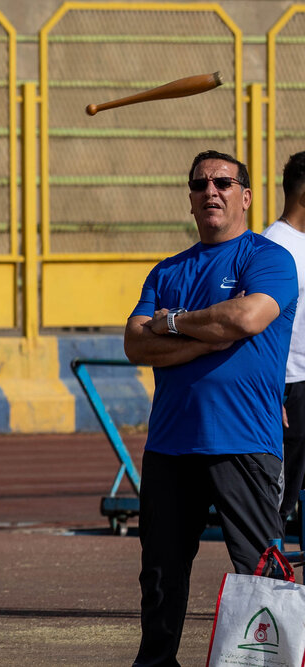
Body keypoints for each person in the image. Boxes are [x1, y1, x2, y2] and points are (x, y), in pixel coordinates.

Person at [124, 150, 297, 666]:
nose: (210, 191)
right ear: (191, 199)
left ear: (245, 195)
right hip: (171, 445)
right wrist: (203, 336)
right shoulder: (166, 270)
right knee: (160, 574)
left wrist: (171, 324)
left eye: (223, 182)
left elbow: (245, 319)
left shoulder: (267, 258)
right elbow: (137, 345)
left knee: (260, 572)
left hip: (243, 443)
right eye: (200, 185)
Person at [262, 150, 305, 529]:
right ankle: (268, 585)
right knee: (278, 508)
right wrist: (273, 393)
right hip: (290, 388)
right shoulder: (275, 249)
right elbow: (256, 328)